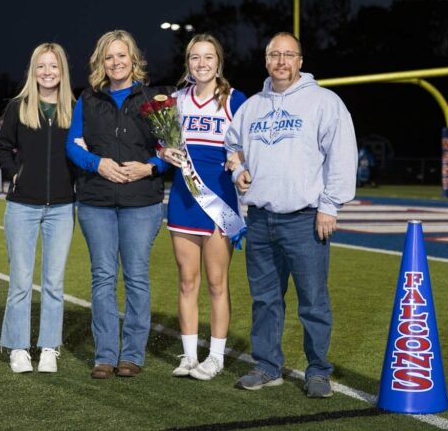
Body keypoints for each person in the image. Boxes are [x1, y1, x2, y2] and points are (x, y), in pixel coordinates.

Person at [225, 32, 357, 398]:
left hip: (305, 217)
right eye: (274, 55)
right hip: (262, 218)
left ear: (300, 60)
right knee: (265, 298)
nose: (281, 61)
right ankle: (268, 365)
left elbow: (343, 156)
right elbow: (232, 145)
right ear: (266, 61)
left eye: (289, 55)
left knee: (313, 300)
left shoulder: (324, 102)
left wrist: (330, 206)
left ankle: (317, 370)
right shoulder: (251, 106)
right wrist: (237, 171)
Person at [66, 30, 169, 379]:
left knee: (137, 277)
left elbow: (171, 151)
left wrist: (150, 166)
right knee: (103, 278)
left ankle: (132, 355)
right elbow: (72, 146)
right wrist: (99, 164)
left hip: (141, 202)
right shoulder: (88, 99)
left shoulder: (153, 98)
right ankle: (105, 355)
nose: (116, 62)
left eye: (121, 56)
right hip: (96, 201)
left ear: (133, 58)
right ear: (101, 62)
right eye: (109, 57)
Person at [158, 34, 247, 381]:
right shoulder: (177, 101)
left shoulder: (235, 100)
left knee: (217, 282)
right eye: (195, 58)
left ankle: (217, 357)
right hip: (183, 200)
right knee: (187, 280)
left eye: (208, 57)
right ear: (188, 63)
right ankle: (190, 356)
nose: (202, 64)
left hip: (219, 203)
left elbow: (246, 145)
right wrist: (164, 152)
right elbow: (163, 145)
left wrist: (240, 160)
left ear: (218, 62)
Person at [0, 43, 77, 373]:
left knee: (54, 283)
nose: (47, 72)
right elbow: (2, 149)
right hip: (22, 206)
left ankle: (48, 348)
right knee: (20, 281)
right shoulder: (18, 107)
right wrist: (15, 174)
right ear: (33, 70)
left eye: (53, 66)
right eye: (41, 66)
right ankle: (17, 347)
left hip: (61, 207)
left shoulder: (73, 108)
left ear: (62, 71)